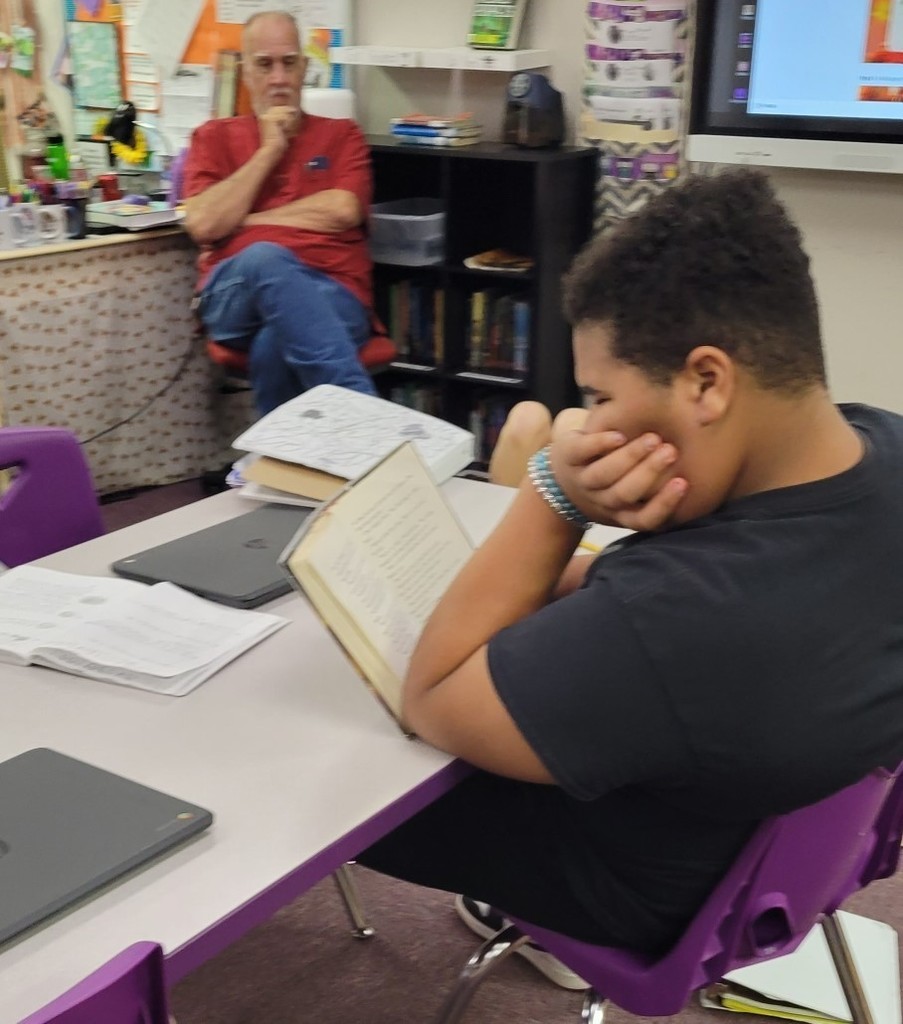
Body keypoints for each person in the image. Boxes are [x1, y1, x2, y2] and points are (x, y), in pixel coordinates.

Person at [355, 168, 903, 990]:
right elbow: (653, 598)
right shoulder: (880, 447)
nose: (593, 423)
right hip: (784, 844)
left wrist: (553, 493)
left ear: (706, 382)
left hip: (637, 883)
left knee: (335, 759)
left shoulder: (684, 618)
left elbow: (431, 694)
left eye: (601, 395)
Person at [182, 10, 377, 415]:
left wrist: (245, 221)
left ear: (304, 68)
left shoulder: (341, 135)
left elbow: (342, 209)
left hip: (335, 289)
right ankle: (369, 422)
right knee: (264, 259)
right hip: (235, 296)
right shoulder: (213, 138)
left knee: (275, 343)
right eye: (264, 64)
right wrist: (269, 149)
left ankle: (273, 469)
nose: (278, 77)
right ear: (245, 71)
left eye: (289, 62)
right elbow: (202, 222)